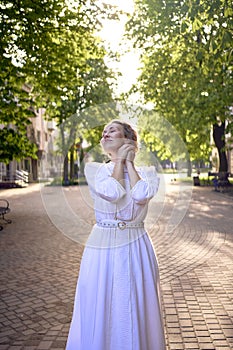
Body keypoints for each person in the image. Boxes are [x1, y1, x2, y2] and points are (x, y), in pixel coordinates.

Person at [66, 120, 166, 350]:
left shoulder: (148, 174)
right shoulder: (95, 170)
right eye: (104, 132)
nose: (105, 133)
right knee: (103, 302)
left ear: (129, 140)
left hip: (136, 244)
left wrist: (129, 164)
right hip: (103, 243)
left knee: (137, 301)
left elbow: (141, 195)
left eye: (112, 130)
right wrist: (119, 161)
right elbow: (113, 192)